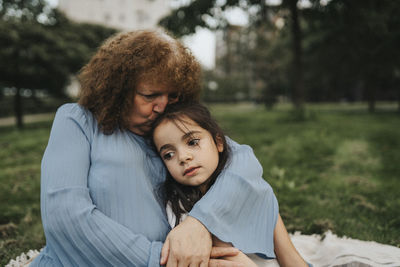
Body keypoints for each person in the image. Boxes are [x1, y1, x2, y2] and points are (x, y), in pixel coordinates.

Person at [29, 30, 283, 267]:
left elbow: (242, 160)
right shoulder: (77, 120)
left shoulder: (167, 131)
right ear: (118, 90)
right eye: (150, 96)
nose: (162, 106)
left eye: (171, 96)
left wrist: (199, 222)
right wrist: (158, 260)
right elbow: (65, 216)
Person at [151, 102, 309, 267]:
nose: (183, 157)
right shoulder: (177, 206)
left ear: (219, 143)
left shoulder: (251, 191)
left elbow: (291, 259)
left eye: (192, 142)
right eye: (169, 154)